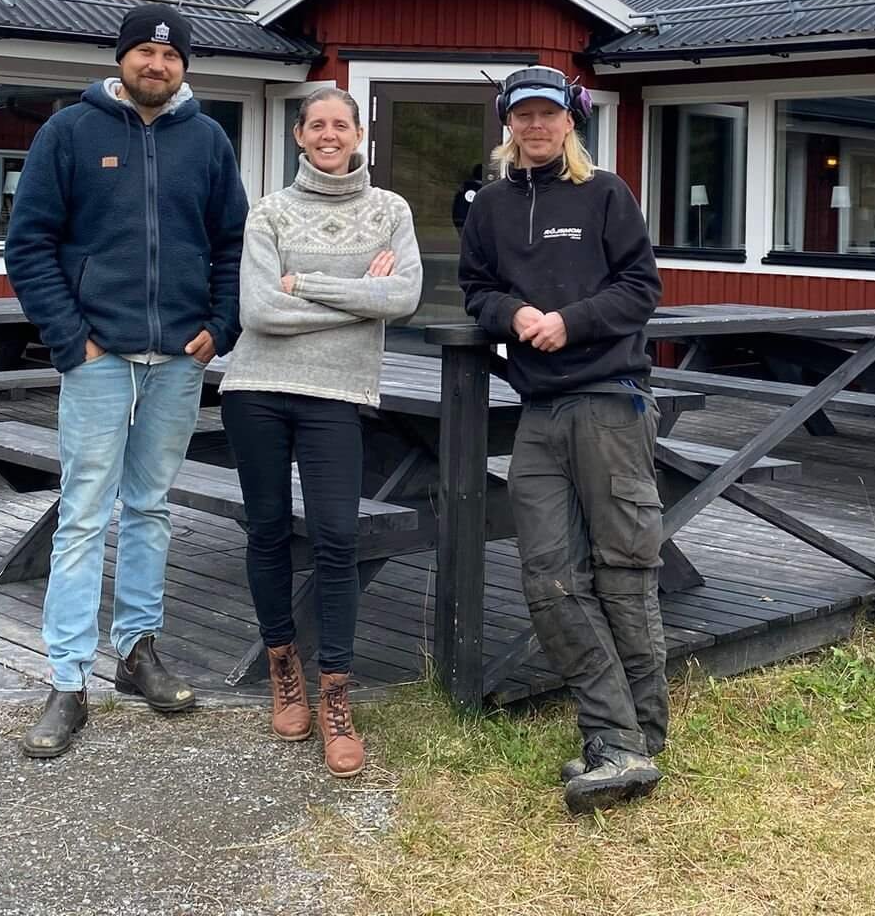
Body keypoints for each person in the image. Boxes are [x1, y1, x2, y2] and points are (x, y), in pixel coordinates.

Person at [3, 3, 248, 760]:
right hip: (100, 361)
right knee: (83, 512)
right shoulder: (69, 133)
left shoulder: (206, 140)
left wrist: (222, 324)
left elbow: (233, 241)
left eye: (171, 56)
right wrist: (71, 341)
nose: (157, 64)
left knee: (150, 507)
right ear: (122, 60)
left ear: (185, 68)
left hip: (179, 360)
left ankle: (138, 652)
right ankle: (68, 680)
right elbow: (30, 245)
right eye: (144, 51)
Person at [457, 65, 666, 814]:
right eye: (523, 116)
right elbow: (475, 287)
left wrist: (569, 322)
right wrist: (512, 314)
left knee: (624, 569)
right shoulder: (490, 207)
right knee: (548, 576)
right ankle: (621, 738)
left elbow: (641, 287)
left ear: (570, 121)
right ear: (508, 124)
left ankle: (631, 736)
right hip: (540, 412)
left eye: (548, 114)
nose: (536, 126)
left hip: (611, 401)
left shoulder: (606, 193)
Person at [220, 84, 422, 777]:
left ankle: (336, 693)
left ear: (359, 134)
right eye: (318, 125)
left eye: (342, 124)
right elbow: (259, 312)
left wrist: (303, 284)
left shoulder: (390, 210)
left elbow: (405, 295)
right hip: (256, 392)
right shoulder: (269, 212)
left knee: (338, 537)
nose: (330, 134)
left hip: (337, 395)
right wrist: (358, 298)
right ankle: (284, 669)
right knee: (269, 530)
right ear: (300, 136)